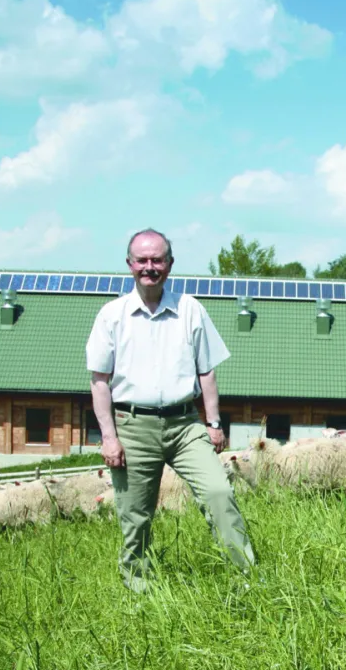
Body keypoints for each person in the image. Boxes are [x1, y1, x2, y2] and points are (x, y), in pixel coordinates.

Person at [85, 228, 256, 592]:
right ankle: (138, 589)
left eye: (157, 259)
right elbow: (100, 381)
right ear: (129, 265)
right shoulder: (112, 316)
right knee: (135, 516)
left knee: (218, 492)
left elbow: (206, 370)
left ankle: (244, 578)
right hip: (132, 425)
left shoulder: (190, 309)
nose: (150, 267)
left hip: (184, 424)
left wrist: (213, 423)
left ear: (170, 264)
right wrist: (109, 438)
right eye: (142, 260)